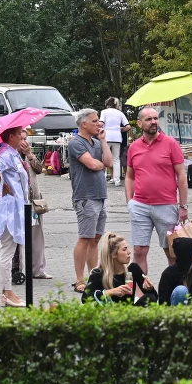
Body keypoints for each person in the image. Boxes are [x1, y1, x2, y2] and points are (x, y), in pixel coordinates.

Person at [124, 106, 187, 274]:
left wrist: (183, 206)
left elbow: (181, 176)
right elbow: (129, 176)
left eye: (155, 118)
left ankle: (175, 293)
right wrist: (130, 202)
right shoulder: (134, 147)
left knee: (172, 253)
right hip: (140, 207)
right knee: (139, 251)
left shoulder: (170, 143)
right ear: (139, 123)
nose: (153, 122)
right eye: (149, 119)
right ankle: (141, 295)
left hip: (166, 206)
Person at [69, 108, 114, 293]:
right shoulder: (76, 143)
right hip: (86, 197)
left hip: (100, 195)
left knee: (95, 239)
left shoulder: (96, 142)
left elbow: (109, 163)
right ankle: (79, 280)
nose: (99, 124)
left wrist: (103, 141)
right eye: (95, 121)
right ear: (84, 123)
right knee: (85, 238)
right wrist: (100, 165)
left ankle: (93, 277)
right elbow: (93, 164)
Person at [0, 126, 29, 307]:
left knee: (9, 248)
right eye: (20, 133)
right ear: (12, 136)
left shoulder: (13, 152)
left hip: (16, 206)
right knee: (7, 250)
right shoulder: (5, 154)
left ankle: (7, 292)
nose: (23, 135)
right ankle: (6, 292)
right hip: (9, 209)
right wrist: (4, 185)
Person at [82, 232, 156, 305]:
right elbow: (85, 298)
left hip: (129, 312)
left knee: (150, 298)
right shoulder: (98, 273)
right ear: (113, 255)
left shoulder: (133, 268)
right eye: (124, 249)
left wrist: (149, 289)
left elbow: (154, 297)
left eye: (128, 248)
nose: (129, 252)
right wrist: (110, 292)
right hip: (109, 313)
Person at [19, 132, 51, 279]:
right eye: (21, 138)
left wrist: (30, 155)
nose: (24, 142)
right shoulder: (11, 155)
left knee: (37, 236)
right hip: (19, 202)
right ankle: (19, 269)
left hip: (34, 202)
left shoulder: (29, 155)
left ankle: (38, 269)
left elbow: (39, 170)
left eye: (26, 139)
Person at [100, 98, 130, 186]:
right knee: (116, 159)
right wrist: (120, 129)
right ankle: (117, 180)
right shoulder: (120, 113)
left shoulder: (104, 112)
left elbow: (101, 123)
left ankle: (103, 178)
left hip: (106, 136)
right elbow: (128, 127)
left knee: (104, 157)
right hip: (117, 137)